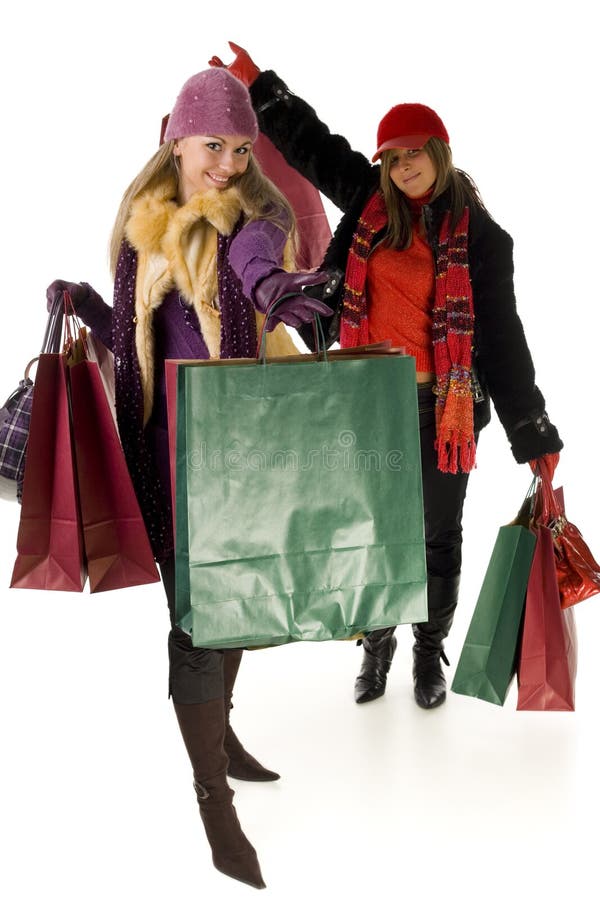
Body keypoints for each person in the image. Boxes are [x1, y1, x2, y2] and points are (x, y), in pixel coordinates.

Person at [208, 43, 563, 711]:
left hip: (442, 413)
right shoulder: (371, 207)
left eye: (413, 152)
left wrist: (532, 431)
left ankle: (429, 652)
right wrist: (261, 87)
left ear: (439, 151)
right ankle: (377, 645)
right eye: (392, 157)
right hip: (365, 405)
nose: (403, 166)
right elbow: (316, 148)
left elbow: (504, 342)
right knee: (368, 531)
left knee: (434, 539)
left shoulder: (480, 240)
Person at [46, 67, 331, 890]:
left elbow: (253, 265)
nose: (230, 164)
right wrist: (87, 304)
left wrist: (277, 285)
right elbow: (142, 335)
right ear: (176, 138)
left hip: (234, 452)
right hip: (157, 454)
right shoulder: (141, 229)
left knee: (225, 611)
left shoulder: (247, 216)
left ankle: (218, 760)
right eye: (216, 146)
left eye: (242, 148)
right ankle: (216, 792)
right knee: (200, 617)